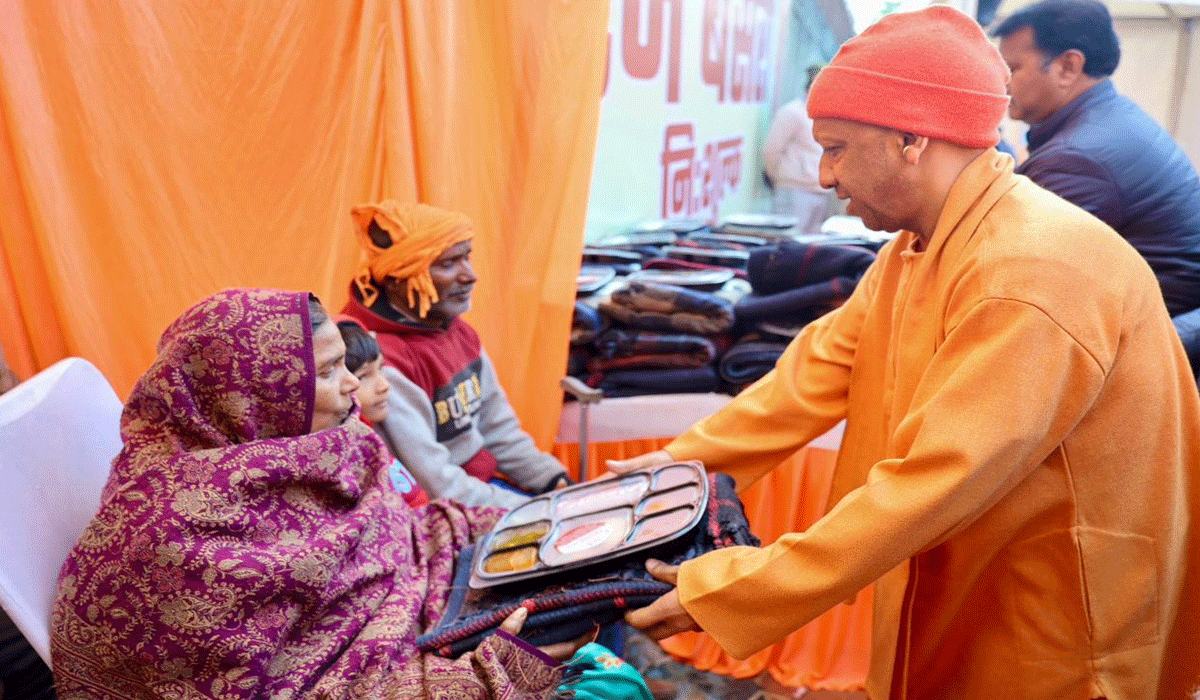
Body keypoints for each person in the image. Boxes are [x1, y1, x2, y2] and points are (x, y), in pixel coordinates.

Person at [610, 7, 1200, 699]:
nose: (824, 175)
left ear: (912, 139)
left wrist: (740, 588)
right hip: (975, 568)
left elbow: (937, 477)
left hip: (1057, 599)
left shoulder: (1033, 269)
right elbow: (813, 371)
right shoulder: (920, 244)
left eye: (835, 147)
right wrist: (669, 470)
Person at [49, 288, 622, 700]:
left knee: (601, 583)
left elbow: (404, 532)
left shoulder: (328, 447)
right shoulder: (176, 541)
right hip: (399, 660)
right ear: (250, 395)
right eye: (327, 373)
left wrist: (518, 524)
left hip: (422, 609)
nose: (353, 385)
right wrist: (487, 675)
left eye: (346, 365)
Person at [991, 0, 1200, 369]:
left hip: (1147, 346)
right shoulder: (1108, 118)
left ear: (1068, 67)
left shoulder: (1077, 159)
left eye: (1013, 67)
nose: (1002, 81)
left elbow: (1021, 280)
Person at [342, 201, 571, 509]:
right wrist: (534, 509)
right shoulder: (380, 362)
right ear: (398, 278)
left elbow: (498, 428)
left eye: (467, 258)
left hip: (483, 491)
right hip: (442, 514)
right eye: (448, 264)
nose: (470, 276)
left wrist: (551, 479)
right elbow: (436, 484)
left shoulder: (457, 332)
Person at [337, 317, 429, 507]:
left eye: (380, 368)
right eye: (363, 376)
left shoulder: (374, 445)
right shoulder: (349, 462)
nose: (384, 385)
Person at [761, 65, 833, 234]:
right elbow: (771, 151)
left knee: (810, 248)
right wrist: (783, 178)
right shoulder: (791, 112)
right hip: (794, 191)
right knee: (788, 243)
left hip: (821, 192)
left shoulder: (826, 115)